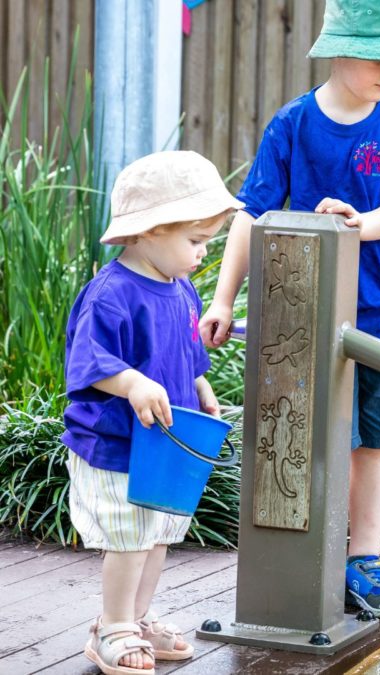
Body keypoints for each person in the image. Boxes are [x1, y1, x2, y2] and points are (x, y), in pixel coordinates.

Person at [197, 0, 380, 618]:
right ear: (339, 47)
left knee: (377, 444)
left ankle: (364, 560)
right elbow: (252, 215)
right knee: (312, 441)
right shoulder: (293, 124)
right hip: (306, 319)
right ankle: (310, 556)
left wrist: (362, 225)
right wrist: (224, 297)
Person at [63, 150, 241, 674]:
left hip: (162, 443)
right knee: (127, 538)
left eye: (207, 240)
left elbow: (183, 351)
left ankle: (137, 618)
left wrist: (200, 382)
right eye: (194, 240)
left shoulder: (179, 287)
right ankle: (112, 625)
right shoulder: (112, 295)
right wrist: (133, 381)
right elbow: (89, 363)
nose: (203, 253)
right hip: (116, 444)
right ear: (147, 232)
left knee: (158, 533)